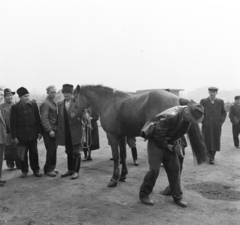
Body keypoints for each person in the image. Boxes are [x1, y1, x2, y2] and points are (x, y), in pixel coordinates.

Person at [139, 101, 204, 208]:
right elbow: (158, 136)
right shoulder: (170, 117)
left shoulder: (188, 118)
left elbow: (179, 133)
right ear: (187, 113)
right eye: (192, 119)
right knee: (154, 170)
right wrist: (169, 146)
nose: (193, 122)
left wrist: (178, 145)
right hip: (156, 142)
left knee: (175, 169)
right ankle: (144, 194)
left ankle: (177, 196)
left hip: (170, 141)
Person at [10, 87, 42, 178]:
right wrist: (14, 137)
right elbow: (13, 123)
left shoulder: (34, 104)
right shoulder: (15, 107)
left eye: (28, 96)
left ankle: (36, 170)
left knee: (34, 153)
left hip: (33, 134)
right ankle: (24, 171)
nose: (27, 98)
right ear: (20, 97)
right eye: (24, 96)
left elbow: (38, 119)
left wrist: (39, 132)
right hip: (21, 135)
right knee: (23, 154)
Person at [56, 84, 82, 179]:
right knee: (69, 151)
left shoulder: (77, 102)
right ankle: (70, 170)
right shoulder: (60, 104)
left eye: (68, 93)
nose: (66, 95)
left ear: (72, 93)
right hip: (65, 131)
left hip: (76, 131)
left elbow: (85, 112)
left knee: (76, 151)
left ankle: (76, 171)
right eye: (64, 93)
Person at [200, 87, 227, 165]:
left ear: (216, 93)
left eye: (213, 92)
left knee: (215, 140)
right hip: (207, 125)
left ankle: (211, 156)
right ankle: (211, 157)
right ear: (208, 92)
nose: (212, 94)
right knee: (206, 140)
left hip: (216, 125)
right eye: (210, 92)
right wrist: (203, 121)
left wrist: (220, 121)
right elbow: (200, 112)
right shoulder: (203, 101)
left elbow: (224, 112)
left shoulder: (220, 102)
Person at [0, 88, 21, 170]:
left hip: (16, 129)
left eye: (11, 95)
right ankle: (10, 163)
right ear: (4, 97)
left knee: (18, 145)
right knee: (8, 146)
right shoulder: (1, 107)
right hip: (6, 130)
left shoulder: (16, 105)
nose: (9, 97)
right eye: (7, 95)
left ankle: (19, 163)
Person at [40, 85, 58, 177]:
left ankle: (52, 168)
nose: (54, 94)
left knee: (53, 150)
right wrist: (49, 130)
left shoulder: (52, 101)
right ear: (47, 93)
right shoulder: (46, 103)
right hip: (49, 131)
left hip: (54, 130)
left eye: (55, 92)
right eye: (52, 92)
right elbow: (44, 119)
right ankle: (48, 169)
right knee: (51, 150)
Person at [0, 88, 7, 186]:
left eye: (2, 95)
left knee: (0, 159)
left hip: (1, 137)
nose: (1, 97)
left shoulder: (0, 107)